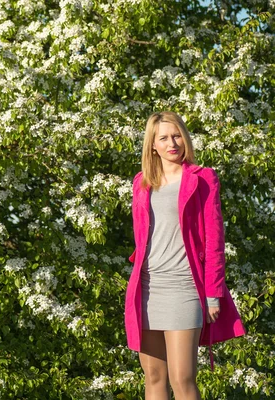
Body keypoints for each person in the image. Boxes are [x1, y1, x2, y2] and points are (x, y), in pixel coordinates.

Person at [124, 111, 245, 400]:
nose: (172, 143)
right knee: (154, 378)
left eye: (176, 135)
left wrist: (213, 294)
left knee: (182, 378)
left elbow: (215, 240)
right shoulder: (141, 182)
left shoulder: (203, 179)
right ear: (152, 145)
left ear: (185, 137)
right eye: (163, 138)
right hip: (148, 289)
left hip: (185, 288)